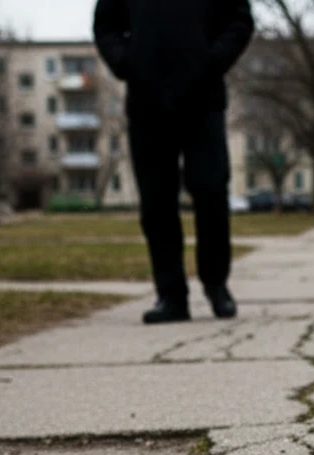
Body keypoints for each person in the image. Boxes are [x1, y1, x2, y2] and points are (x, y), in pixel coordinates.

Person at [93, 0, 254, 324]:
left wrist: (212, 61)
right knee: (156, 203)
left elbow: (239, 20)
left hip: (203, 99)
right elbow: (105, 24)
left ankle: (216, 284)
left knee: (211, 192)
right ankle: (171, 296)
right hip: (146, 101)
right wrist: (126, 62)